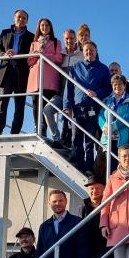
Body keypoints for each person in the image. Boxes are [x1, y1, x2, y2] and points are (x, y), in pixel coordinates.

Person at [65, 41, 111, 174]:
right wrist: (67, 106)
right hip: (78, 108)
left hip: (93, 108)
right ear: (83, 52)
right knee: (76, 138)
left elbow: (108, 88)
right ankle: (78, 164)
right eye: (86, 50)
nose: (89, 53)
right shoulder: (75, 67)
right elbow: (68, 89)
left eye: (91, 50)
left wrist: (97, 93)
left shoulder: (103, 68)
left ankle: (89, 167)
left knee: (90, 139)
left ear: (96, 52)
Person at [0, 9, 34, 135]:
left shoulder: (31, 36)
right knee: (3, 102)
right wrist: (4, 54)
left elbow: (31, 54)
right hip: (6, 72)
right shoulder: (5, 33)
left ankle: (15, 132)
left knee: (20, 104)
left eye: (23, 18)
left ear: (27, 21)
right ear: (14, 18)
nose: (21, 19)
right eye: (19, 17)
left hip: (21, 73)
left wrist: (18, 55)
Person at [27, 18, 64, 143]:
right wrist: (37, 53)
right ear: (39, 27)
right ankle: (39, 128)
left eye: (47, 25)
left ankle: (46, 129)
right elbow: (29, 61)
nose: (44, 27)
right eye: (42, 25)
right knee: (36, 105)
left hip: (49, 79)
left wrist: (44, 56)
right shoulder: (34, 43)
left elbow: (59, 58)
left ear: (50, 27)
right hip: (36, 79)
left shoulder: (55, 42)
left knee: (47, 105)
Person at [59, 29, 84, 148]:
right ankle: (63, 138)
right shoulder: (60, 54)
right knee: (63, 114)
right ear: (64, 40)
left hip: (75, 91)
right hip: (62, 90)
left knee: (73, 118)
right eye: (67, 38)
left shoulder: (81, 54)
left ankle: (73, 145)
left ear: (76, 39)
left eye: (72, 38)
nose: (69, 41)